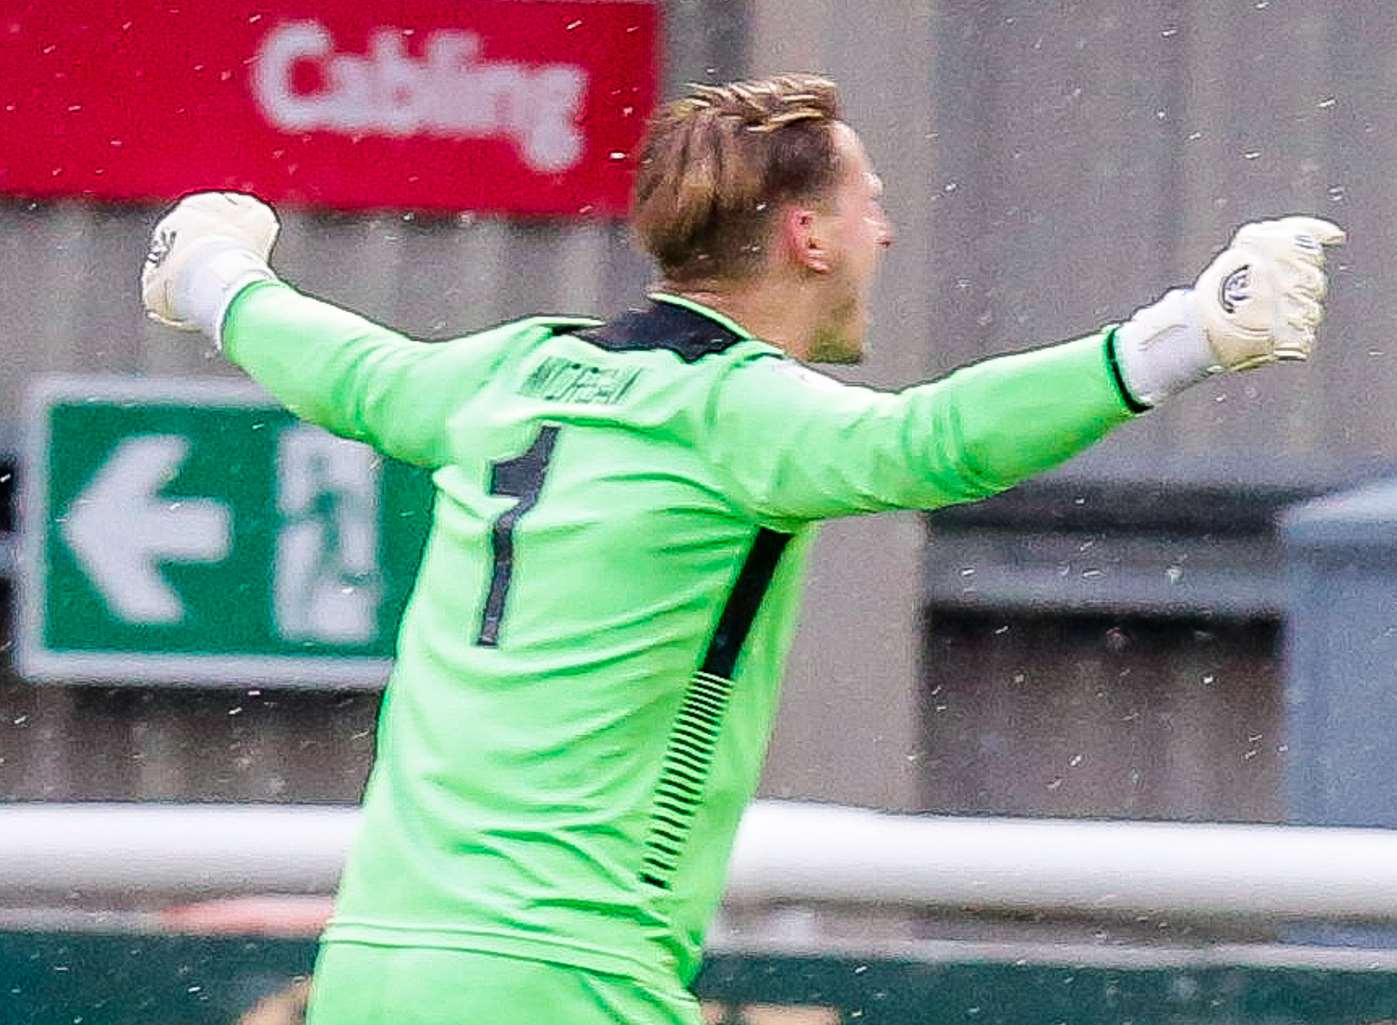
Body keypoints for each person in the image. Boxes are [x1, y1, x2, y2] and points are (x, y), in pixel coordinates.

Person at [139, 74, 1343, 1025]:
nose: (889, 229)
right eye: (870, 202)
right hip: (564, 979)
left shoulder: (500, 373)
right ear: (808, 235)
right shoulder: (733, 413)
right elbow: (934, 442)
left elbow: (342, 367)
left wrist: (215, 278)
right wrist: (1181, 336)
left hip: (370, 968)